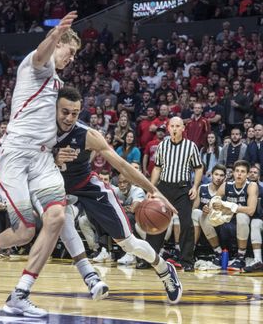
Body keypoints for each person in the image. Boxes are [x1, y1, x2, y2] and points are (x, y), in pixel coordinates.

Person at [0, 12, 81, 318]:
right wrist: (54, 34)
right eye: (70, 51)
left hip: (43, 158)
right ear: (58, 43)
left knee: (57, 217)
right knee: (24, 232)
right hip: (17, 156)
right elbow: (41, 54)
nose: (71, 59)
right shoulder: (36, 66)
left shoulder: (58, 82)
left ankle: (20, 294)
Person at [54, 87, 182, 305]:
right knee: (61, 220)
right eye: (64, 112)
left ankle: (163, 267)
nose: (69, 118)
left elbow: (122, 166)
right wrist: (53, 158)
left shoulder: (88, 135)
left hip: (88, 187)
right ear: (55, 108)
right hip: (59, 189)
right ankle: (90, 276)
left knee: (128, 244)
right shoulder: (41, 129)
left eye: (74, 114)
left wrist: (156, 191)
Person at [149, 117, 204, 271]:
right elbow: (157, 168)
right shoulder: (162, 145)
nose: (174, 128)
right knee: (156, 222)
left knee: (186, 224)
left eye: (177, 126)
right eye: (172, 126)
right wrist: (152, 188)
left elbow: (198, 168)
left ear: (183, 128)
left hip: (182, 189)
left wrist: (195, 186)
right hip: (164, 188)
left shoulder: (190, 146)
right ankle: (150, 258)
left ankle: (187, 261)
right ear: (168, 128)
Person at [208, 160, 258, 271]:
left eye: (243, 172)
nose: (239, 174)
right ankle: (218, 252)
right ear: (233, 173)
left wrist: (229, 207)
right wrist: (211, 206)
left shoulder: (252, 185)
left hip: (246, 221)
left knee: (241, 215)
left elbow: (250, 210)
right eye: (237, 171)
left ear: (248, 174)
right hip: (228, 220)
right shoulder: (226, 185)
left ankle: (241, 256)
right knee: (203, 216)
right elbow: (214, 201)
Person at [193, 164, 227, 264]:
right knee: (196, 213)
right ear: (211, 175)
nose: (218, 178)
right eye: (216, 174)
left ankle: (218, 251)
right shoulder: (202, 188)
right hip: (202, 219)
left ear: (225, 177)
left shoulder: (226, 191)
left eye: (221, 175)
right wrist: (203, 210)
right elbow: (194, 207)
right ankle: (191, 250)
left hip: (219, 220)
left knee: (202, 216)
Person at [243, 165, 263, 272]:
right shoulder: (242, 188)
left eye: (255, 172)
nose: (252, 174)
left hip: (258, 218)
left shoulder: (262, 190)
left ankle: (257, 260)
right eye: (250, 172)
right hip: (244, 217)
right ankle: (239, 257)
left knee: (255, 223)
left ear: (259, 176)